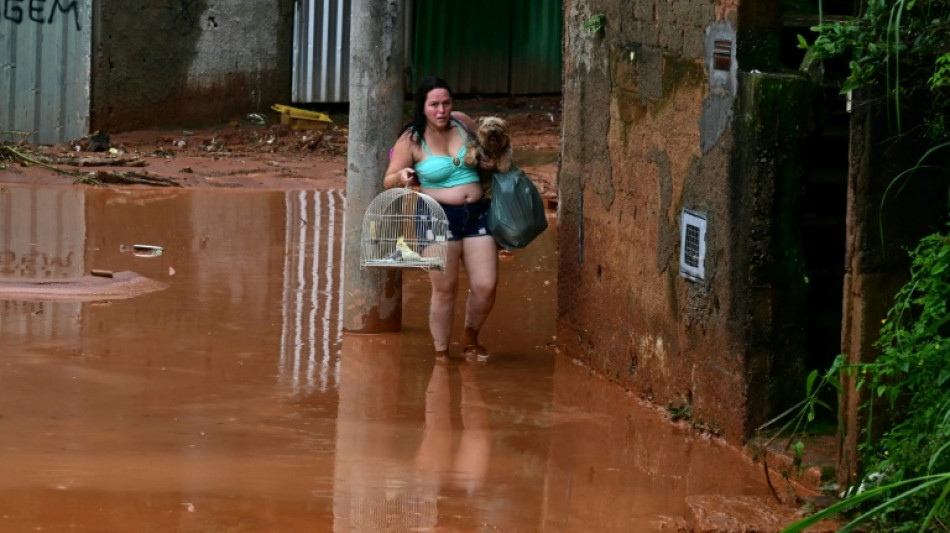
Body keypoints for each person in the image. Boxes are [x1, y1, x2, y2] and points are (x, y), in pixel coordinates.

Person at [383, 76, 497, 361]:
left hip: (476, 213)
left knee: (485, 285)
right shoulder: (411, 139)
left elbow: (491, 149)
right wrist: (401, 175)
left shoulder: (464, 123)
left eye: (446, 103)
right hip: (436, 217)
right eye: (434, 104)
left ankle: (470, 337)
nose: (441, 110)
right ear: (422, 107)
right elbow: (388, 180)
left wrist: (490, 162)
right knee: (445, 288)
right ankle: (441, 355)